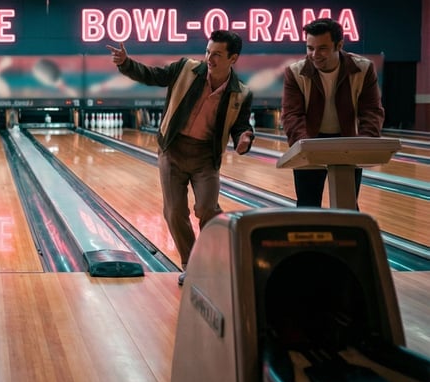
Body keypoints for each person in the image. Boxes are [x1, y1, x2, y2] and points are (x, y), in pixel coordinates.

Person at [107, 30, 254, 285]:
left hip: (205, 158)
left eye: (217, 54)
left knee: (207, 209)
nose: (210, 58)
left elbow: (240, 126)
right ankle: (192, 263)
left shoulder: (241, 93)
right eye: (208, 52)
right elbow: (154, 76)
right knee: (174, 211)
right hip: (173, 150)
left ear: (233, 58)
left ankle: (214, 258)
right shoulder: (186, 68)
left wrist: (244, 138)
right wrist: (126, 64)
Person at [280, 18, 384, 208]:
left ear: (339, 45)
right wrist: (305, 147)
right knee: (307, 204)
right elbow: (291, 115)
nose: (314, 54)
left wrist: (364, 144)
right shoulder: (295, 72)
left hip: (348, 141)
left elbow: (371, 111)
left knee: (348, 203)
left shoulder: (363, 68)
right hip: (309, 140)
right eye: (310, 48)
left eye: (322, 48)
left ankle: (349, 236)